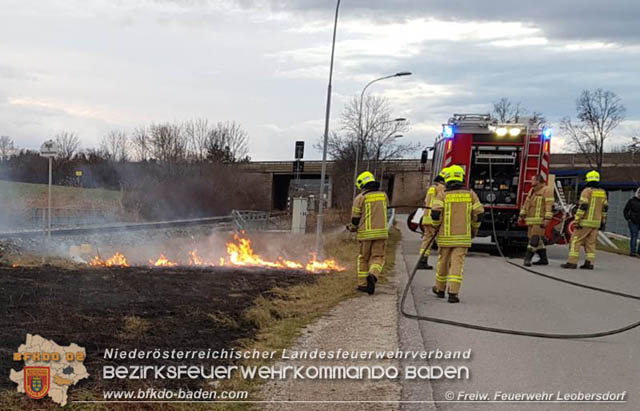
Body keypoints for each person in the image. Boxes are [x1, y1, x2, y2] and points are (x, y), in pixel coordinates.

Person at [430, 165, 484, 303]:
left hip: (445, 237)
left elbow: (435, 214)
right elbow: (479, 213)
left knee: (443, 262)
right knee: (457, 264)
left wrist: (436, 227)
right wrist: (474, 229)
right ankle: (453, 293)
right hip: (462, 237)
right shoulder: (470, 194)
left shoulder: (442, 195)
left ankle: (440, 289)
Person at [347, 171, 389, 295]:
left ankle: (363, 284)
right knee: (378, 257)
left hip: (365, 234)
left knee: (363, 258)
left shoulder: (360, 198)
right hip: (381, 233)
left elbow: (355, 218)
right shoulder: (383, 196)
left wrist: (353, 227)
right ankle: (373, 275)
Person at [561, 170, 608, 269]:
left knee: (575, 241)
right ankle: (589, 263)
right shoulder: (602, 192)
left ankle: (572, 262)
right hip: (596, 223)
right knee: (590, 243)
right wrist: (603, 222)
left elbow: (583, 206)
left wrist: (577, 220)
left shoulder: (587, 191)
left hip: (584, 222)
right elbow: (604, 209)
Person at [519, 175, 554, 266]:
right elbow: (526, 204)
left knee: (534, 240)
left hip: (540, 221)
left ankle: (527, 259)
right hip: (531, 221)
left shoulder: (547, 190)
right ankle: (543, 259)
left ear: (538, 181)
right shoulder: (532, 191)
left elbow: (549, 206)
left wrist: (547, 219)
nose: (531, 182)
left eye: (532, 180)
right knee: (535, 239)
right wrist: (522, 215)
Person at [417, 170, 447, 269]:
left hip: (426, 217)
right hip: (434, 218)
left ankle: (422, 260)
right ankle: (444, 263)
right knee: (442, 241)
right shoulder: (441, 188)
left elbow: (426, 201)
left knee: (427, 240)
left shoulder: (432, 188)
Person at [623, 187, 640, 256]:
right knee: (634, 236)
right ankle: (633, 252)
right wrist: (628, 218)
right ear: (637, 193)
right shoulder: (632, 201)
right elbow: (625, 210)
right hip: (633, 222)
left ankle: (639, 252)